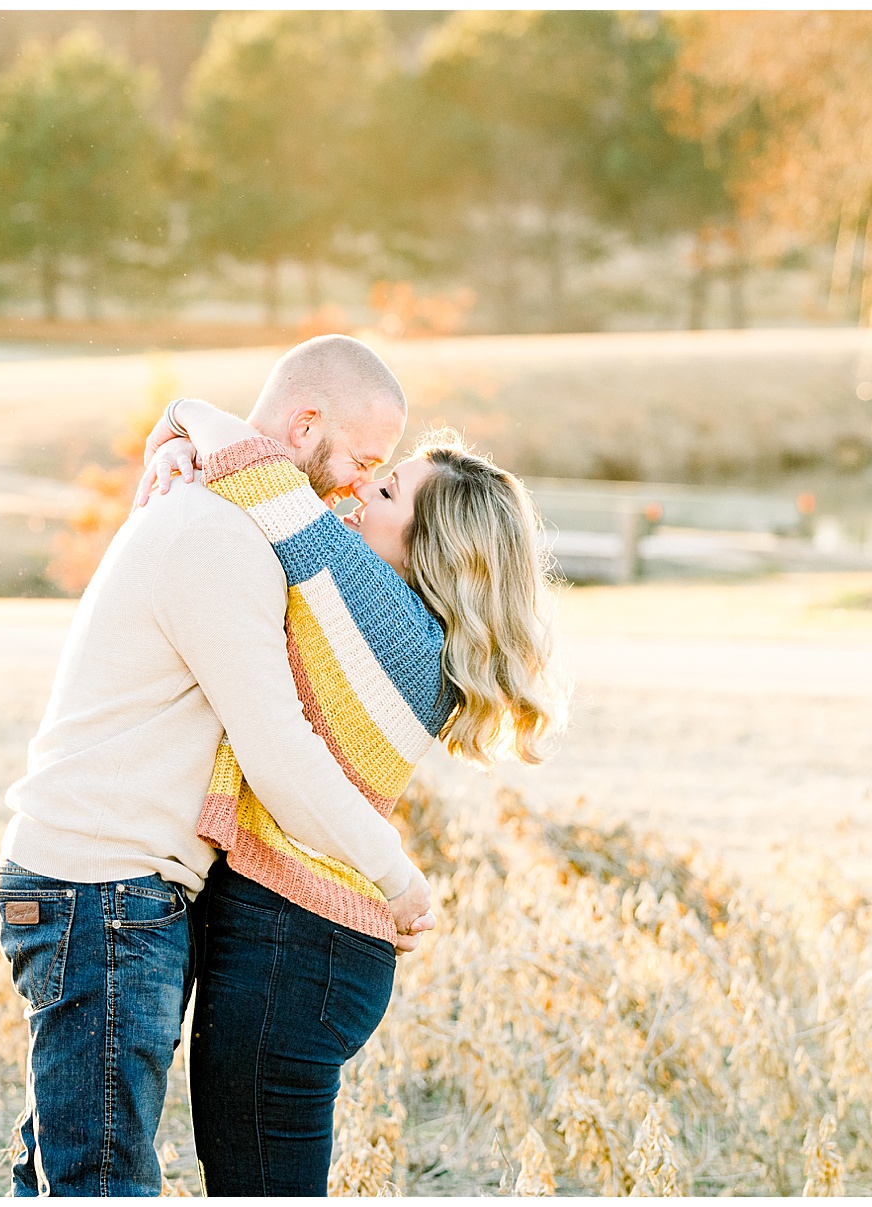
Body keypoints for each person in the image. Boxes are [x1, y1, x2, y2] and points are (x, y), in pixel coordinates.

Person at [0, 335, 438, 1197]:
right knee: (99, 1183)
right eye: (362, 460)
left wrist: (185, 422)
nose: (356, 485)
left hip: (105, 889)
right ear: (305, 423)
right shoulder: (219, 537)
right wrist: (397, 879)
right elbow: (278, 750)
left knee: (65, 1174)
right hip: (104, 893)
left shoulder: (223, 512)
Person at [138, 394, 566, 1196]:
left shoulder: (380, 608)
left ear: (436, 549)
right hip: (308, 948)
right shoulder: (405, 628)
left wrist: (179, 417)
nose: (358, 493)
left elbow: (258, 467)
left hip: (295, 949)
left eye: (387, 491)